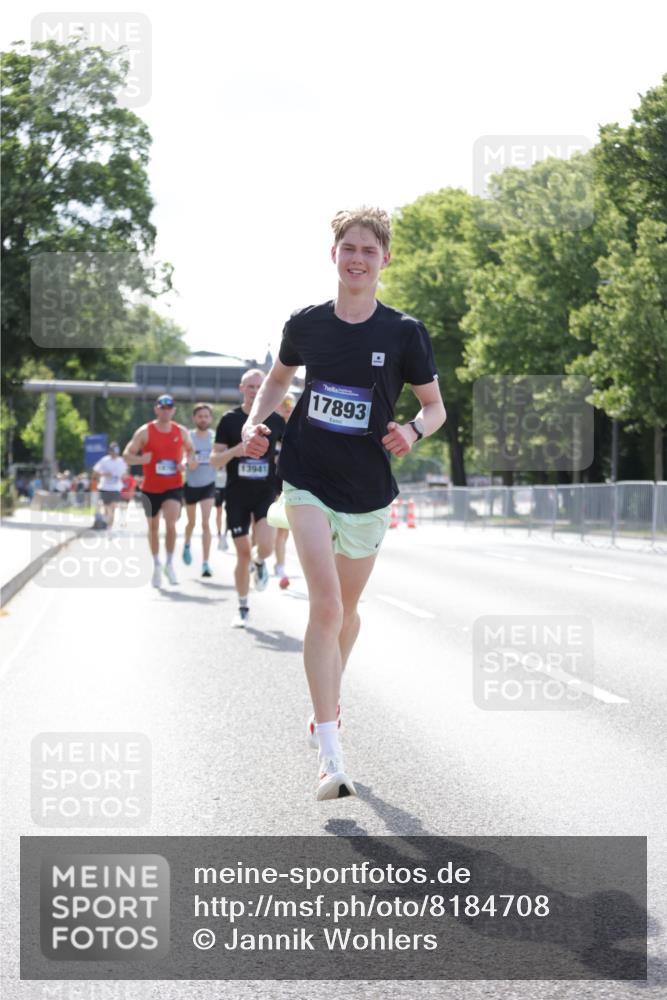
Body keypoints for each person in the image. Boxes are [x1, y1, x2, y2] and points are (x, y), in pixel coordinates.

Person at [242, 207, 446, 800]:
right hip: (306, 476)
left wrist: (413, 430)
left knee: (347, 613)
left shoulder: (404, 332)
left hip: (368, 491)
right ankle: (330, 754)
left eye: (369, 250)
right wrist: (255, 422)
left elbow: (434, 407)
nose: (358, 259)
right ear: (334, 254)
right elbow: (278, 380)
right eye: (349, 248)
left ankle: (327, 702)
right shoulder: (306, 324)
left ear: (385, 259)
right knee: (326, 605)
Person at [212, 369, 286, 628]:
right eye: (250, 386)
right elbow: (215, 460)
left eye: (259, 386)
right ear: (242, 389)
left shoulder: (275, 420)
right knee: (242, 554)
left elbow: (288, 455)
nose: (255, 391)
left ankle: (260, 561)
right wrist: (237, 450)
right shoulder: (230, 420)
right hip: (237, 495)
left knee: (265, 547)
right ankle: (243, 607)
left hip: (265, 493)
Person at [123, 394, 195, 587]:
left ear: (174, 410)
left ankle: (169, 564)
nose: (165, 411)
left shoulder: (181, 431)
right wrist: (141, 460)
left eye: (169, 408)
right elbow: (127, 455)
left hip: (173, 486)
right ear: (156, 409)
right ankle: (156, 565)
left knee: (171, 524)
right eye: (162, 408)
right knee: (153, 528)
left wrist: (184, 462)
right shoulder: (144, 431)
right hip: (150, 488)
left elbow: (191, 452)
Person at [183, 403, 217, 577]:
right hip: (191, 484)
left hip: (208, 484)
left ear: (210, 419)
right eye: (200, 416)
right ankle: (187, 544)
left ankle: (205, 563)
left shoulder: (214, 437)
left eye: (206, 416)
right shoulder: (188, 436)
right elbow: (181, 457)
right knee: (191, 522)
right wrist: (187, 463)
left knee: (205, 523)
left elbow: (221, 455)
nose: (203, 419)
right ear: (194, 418)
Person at [272, 393, 296, 587]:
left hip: (292, 482)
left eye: (290, 404)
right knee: (278, 528)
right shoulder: (270, 427)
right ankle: (278, 565)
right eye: (283, 404)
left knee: (285, 529)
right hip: (271, 482)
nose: (287, 408)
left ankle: (279, 564)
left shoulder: (299, 427)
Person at [93, 442, 127, 528]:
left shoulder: (121, 461)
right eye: (112, 450)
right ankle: (106, 525)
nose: (114, 452)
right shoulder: (104, 460)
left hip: (116, 488)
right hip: (105, 487)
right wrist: (104, 474)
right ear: (109, 451)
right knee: (106, 509)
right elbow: (95, 473)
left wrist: (122, 477)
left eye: (116, 450)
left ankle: (109, 528)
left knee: (112, 507)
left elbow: (125, 474)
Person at [214, 463, 229, 550]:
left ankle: (225, 534)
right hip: (217, 487)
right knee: (219, 511)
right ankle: (219, 533)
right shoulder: (216, 456)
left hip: (228, 486)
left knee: (229, 512)